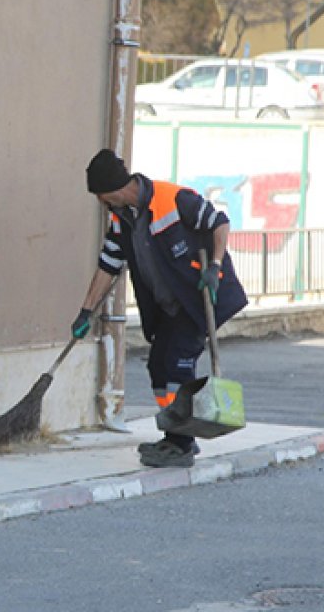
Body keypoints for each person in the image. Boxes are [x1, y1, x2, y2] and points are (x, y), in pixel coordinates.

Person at [71, 149, 247, 468]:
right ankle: (177, 435)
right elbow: (108, 264)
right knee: (158, 368)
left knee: (177, 366)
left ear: (113, 190)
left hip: (198, 299)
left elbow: (218, 223)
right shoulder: (121, 220)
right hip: (166, 308)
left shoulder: (173, 199)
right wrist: (85, 312)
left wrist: (215, 266)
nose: (100, 202)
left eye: (100, 196)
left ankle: (180, 443)